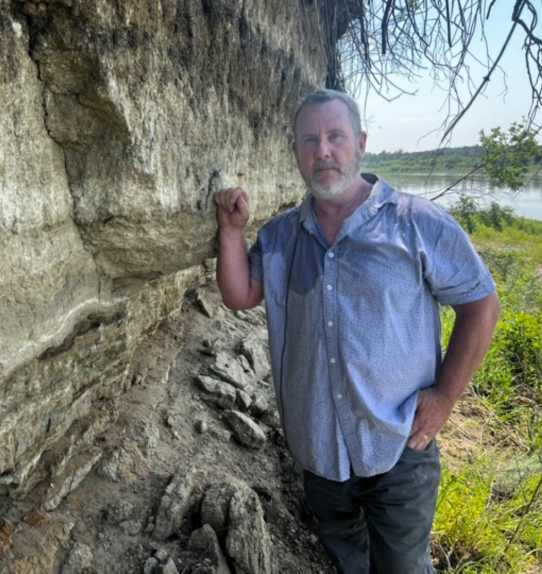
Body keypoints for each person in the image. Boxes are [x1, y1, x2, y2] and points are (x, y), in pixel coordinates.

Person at [213, 89, 500, 573]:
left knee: (403, 568)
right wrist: (230, 230)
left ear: (360, 143)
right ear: (296, 152)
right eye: (310, 139)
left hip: (399, 445)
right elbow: (240, 294)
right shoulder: (281, 235)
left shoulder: (415, 223)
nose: (323, 150)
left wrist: (445, 398)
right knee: (346, 561)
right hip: (320, 452)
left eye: (335, 136)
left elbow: (482, 305)